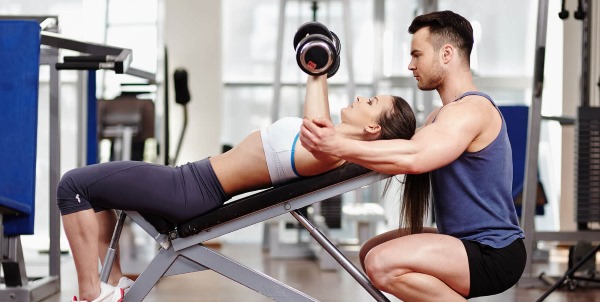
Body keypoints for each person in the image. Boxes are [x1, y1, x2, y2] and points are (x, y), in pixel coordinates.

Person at [57, 70, 419, 301]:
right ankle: (114, 286)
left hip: (189, 189)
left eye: (370, 102)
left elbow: (314, 125)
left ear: (373, 129)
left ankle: (92, 292)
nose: (359, 98)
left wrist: (316, 72)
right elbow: (318, 123)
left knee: (72, 186)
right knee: (98, 191)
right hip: (191, 182)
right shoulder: (334, 144)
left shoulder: (328, 152)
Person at [299, 10, 526, 301]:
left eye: (417, 55)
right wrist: (339, 135)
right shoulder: (439, 117)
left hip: (492, 251)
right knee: (369, 251)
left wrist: (336, 145)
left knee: (382, 262)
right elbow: (396, 149)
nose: (410, 65)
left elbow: (415, 156)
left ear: (446, 54)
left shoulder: (471, 111)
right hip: (462, 241)